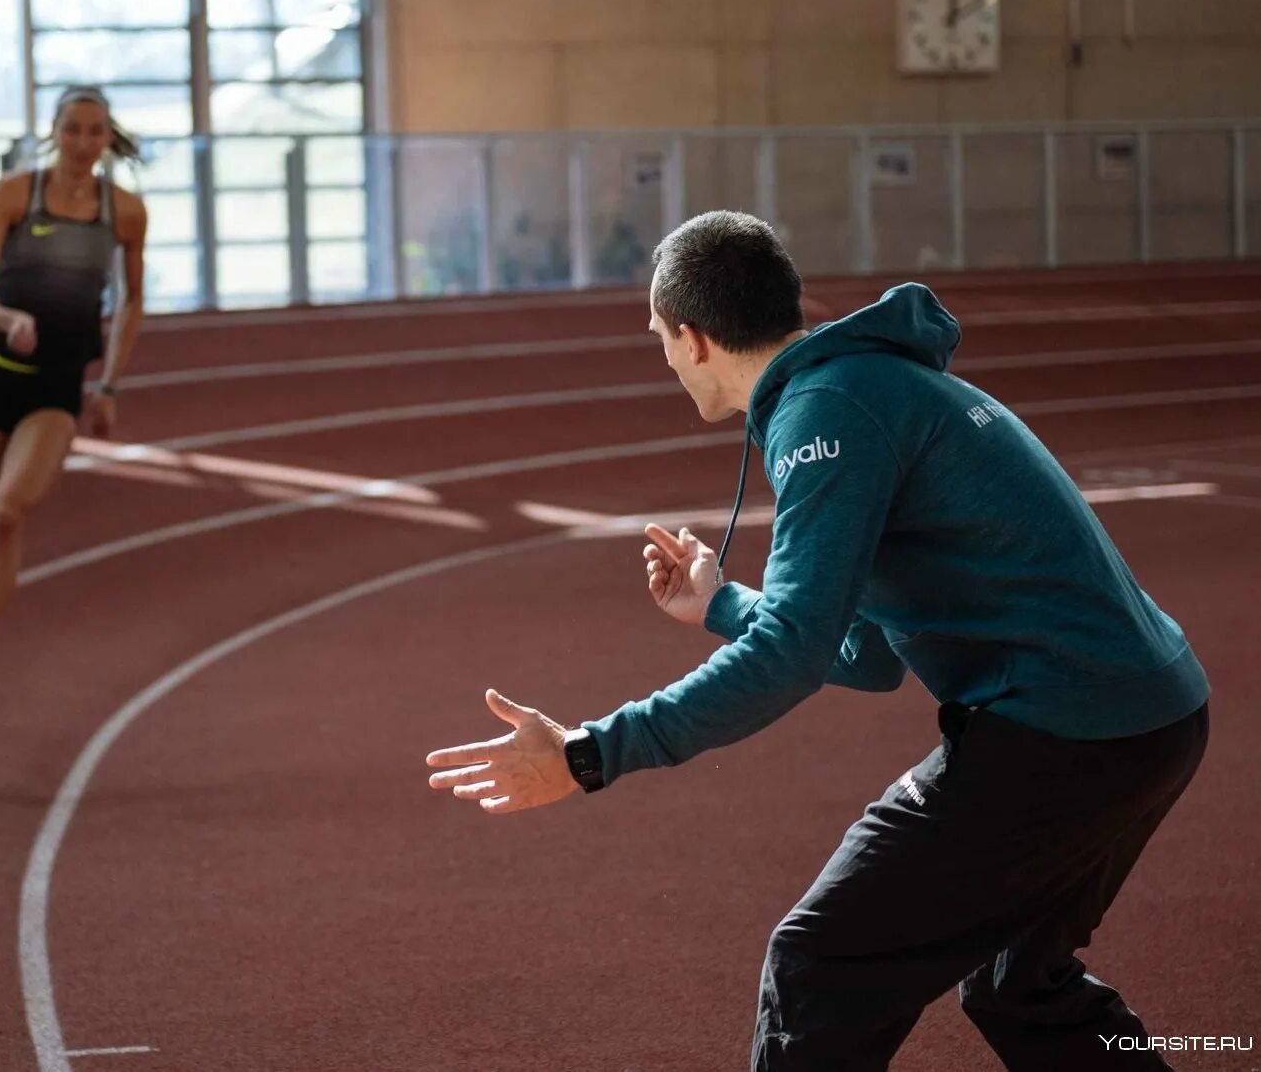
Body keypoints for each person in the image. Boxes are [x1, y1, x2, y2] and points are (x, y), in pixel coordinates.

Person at [426, 210, 1209, 1070]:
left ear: (691, 338)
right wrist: (723, 606)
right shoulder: (862, 388)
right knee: (1017, 980)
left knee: (819, 966)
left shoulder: (825, 414)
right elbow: (865, 656)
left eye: (656, 335)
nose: (661, 353)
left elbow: (792, 657)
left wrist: (586, 755)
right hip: (1149, 717)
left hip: (1066, 732)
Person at [0, 86, 148, 731]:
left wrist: (108, 384)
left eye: (95, 131)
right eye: (73, 129)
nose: (83, 143)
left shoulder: (125, 212)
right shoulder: (15, 194)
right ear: (55, 133)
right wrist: (8, 317)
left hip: (55, 390)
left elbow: (131, 302)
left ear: (108, 138)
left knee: (4, 515)